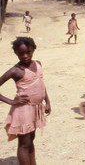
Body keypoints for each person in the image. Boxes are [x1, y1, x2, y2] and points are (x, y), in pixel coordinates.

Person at [0, 37, 51, 165]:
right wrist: (12, 101)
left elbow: (41, 84)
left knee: (31, 139)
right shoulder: (16, 71)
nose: (25, 56)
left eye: (28, 52)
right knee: (24, 143)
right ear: (16, 53)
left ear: (33, 49)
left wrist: (47, 101)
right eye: (21, 53)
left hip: (36, 108)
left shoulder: (37, 64)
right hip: (24, 110)